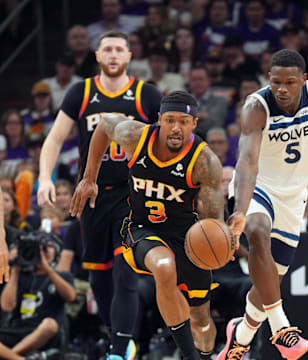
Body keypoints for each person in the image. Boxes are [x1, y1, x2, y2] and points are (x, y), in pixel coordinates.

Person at [69, 91, 246, 360]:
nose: (176, 127)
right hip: (141, 229)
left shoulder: (204, 162)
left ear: (194, 124)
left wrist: (224, 240)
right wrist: (89, 178)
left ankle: (207, 354)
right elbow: (104, 125)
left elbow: (212, 222)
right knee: (164, 267)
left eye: (184, 121)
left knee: (201, 320)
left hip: (188, 238)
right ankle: (190, 356)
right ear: (159, 119)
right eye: (170, 120)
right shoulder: (135, 136)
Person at [218, 48, 308, 360]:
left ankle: (238, 338)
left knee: (267, 284)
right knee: (256, 231)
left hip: (294, 197)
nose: (282, 88)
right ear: (269, 79)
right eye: (276, 81)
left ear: (303, 80)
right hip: (260, 187)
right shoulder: (256, 106)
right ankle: (281, 329)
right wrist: (240, 210)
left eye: (290, 82)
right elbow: (246, 162)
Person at [37, 30, 162, 360]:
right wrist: (44, 179)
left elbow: (168, 140)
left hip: (133, 194)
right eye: (107, 49)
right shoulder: (81, 92)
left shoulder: (145, 94)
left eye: (120, 49)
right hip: (90, 195)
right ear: (97, 55)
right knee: (99, 280)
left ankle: (121, 349)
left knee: (125, 270)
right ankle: (117, 338)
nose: (113, 54)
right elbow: (53, 140)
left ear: (129, 56)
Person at [0, 231, 75, 360]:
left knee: (50, 324)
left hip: (45, 333)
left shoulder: (62, 276)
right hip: (18, 328)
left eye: (47, 248)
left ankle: (9, 356)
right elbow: (7, 306)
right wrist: (16, 270)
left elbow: (71, 296)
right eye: (38, 248)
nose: (42, 252)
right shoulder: (21, 277)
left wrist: (48, 269)